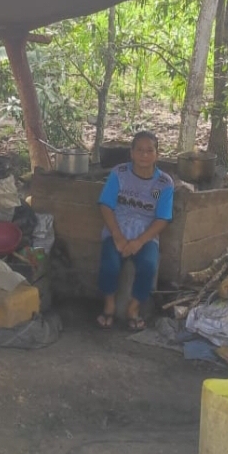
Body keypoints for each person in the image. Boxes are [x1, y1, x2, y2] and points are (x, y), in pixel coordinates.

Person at [96, 131, 174, 331]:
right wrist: (118, 237)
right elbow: (106, 205)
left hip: (146, 235)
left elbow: (162, 218)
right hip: (117, 230)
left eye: (149, 150)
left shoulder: (163, 183)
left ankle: (133, 308)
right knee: (109, 265)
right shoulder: (119, 174)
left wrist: (139, 242)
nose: (144, 155)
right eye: (139, 150)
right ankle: (109, 304)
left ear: (157, 154)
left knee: (148, 266)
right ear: (131, 153)